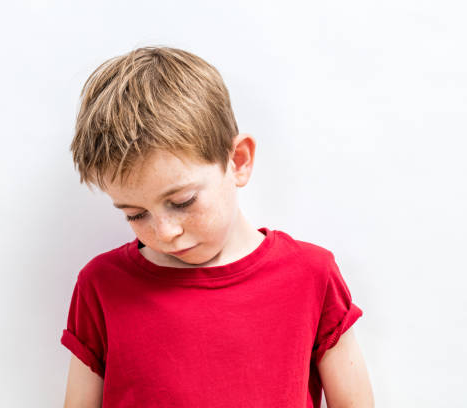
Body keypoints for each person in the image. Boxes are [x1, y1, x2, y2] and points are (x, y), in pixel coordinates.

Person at [60, 46, 374, 407]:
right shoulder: (101, 286)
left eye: (182, 202)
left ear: (238, 161)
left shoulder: (312, 275)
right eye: (135, 214)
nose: (165, 233)